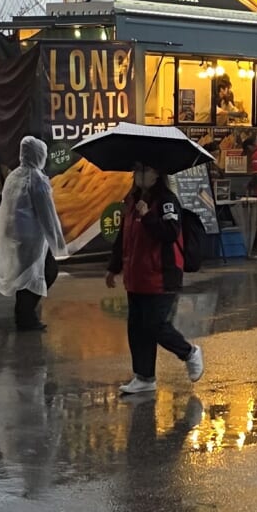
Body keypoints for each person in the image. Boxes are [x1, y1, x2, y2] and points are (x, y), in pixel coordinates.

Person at [111, 162, 204, 393]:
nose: (139, 175)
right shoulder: (132, 200)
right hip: (136, 275)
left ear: (157, 174)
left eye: (145, 170)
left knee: (155, 325)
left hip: (161, 274)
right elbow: (124, 236)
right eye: (137, 170)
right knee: (137, 328)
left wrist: (148, 216)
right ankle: (144, 377)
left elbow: (170, 232)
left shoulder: (166, 201)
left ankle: (189, 353)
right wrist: (113, 267)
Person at [0, 134, 67, 331]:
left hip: (15, 236)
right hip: (32, 238)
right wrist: (58, 242)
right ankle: (25, 316)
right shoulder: (37, 180)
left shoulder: (14, 176)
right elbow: (47, 214)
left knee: (25, 275)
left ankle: (24, 314)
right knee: (44, 272)